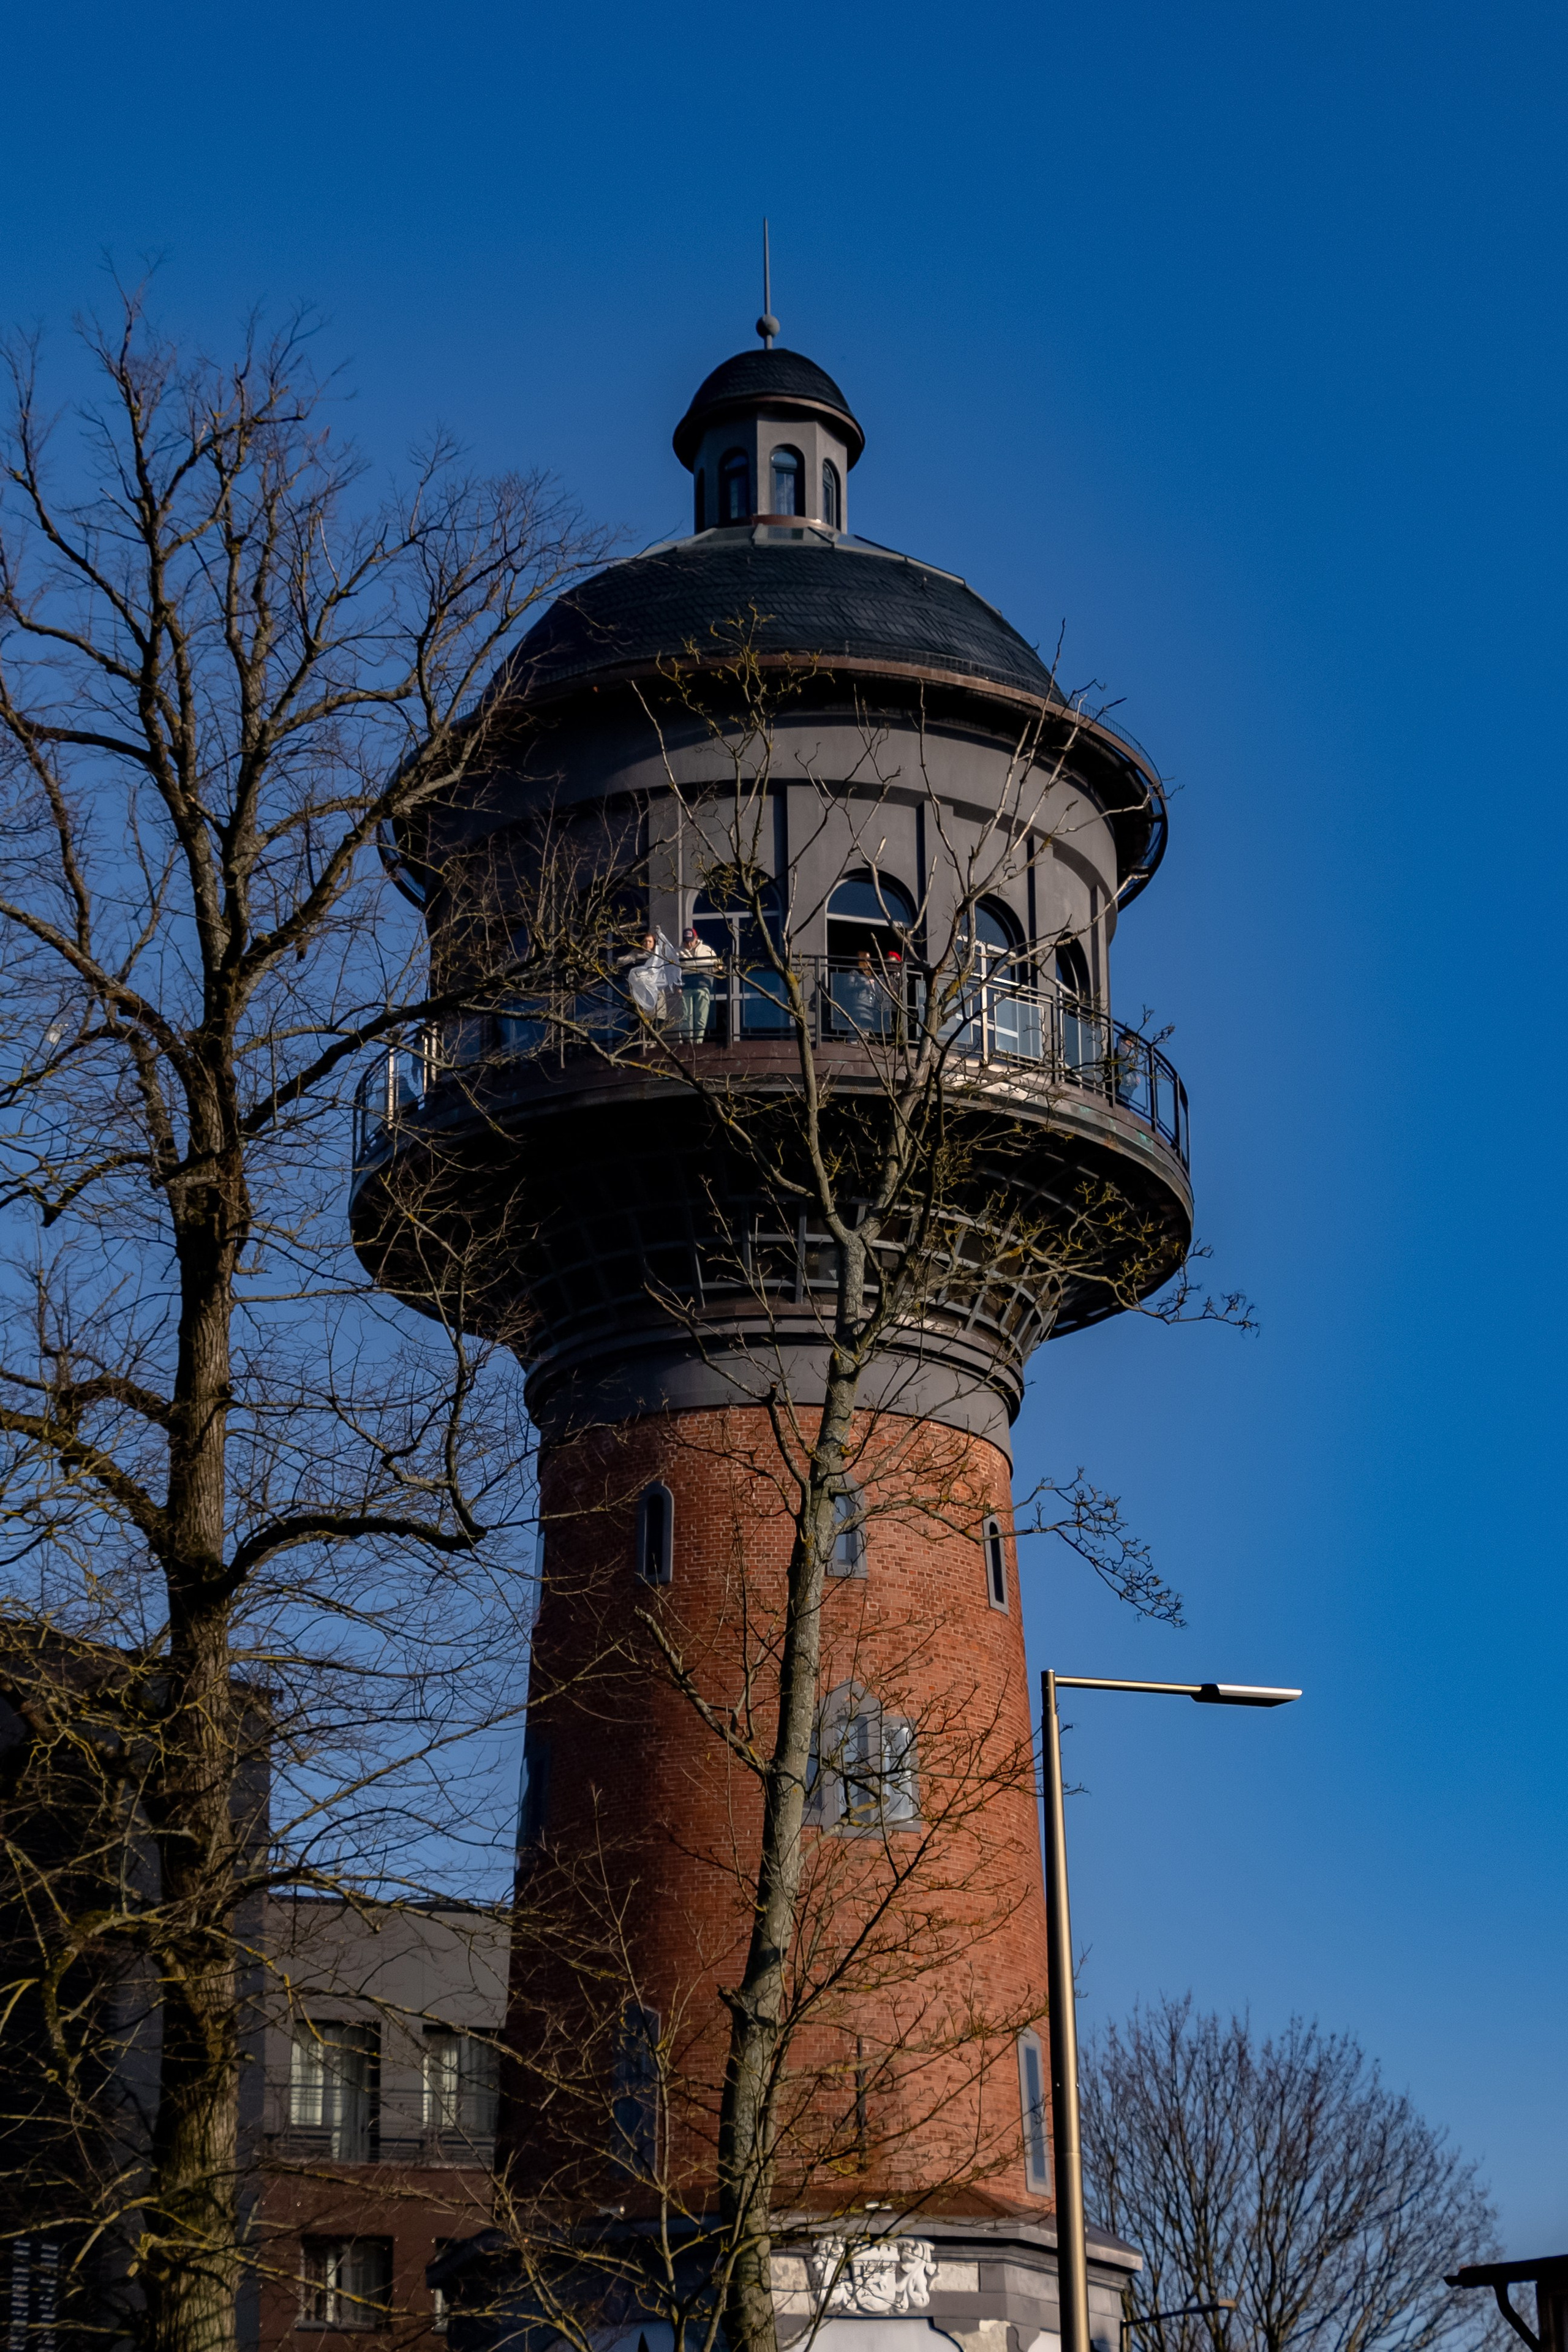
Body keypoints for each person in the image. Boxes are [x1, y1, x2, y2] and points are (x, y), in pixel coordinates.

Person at [677, 925, 720, 1042]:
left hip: (703, 986)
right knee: (686, 1016)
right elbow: (673, 971)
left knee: (701, 1016)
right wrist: (677, 986)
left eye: (691, 941)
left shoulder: (707, 950)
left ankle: (698, 1042)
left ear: (696, 938)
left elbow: (717, 966)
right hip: (685, 987)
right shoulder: (677, 952)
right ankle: (687, 1043)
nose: (689, 944)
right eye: (686, 941)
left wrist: (717, 967)